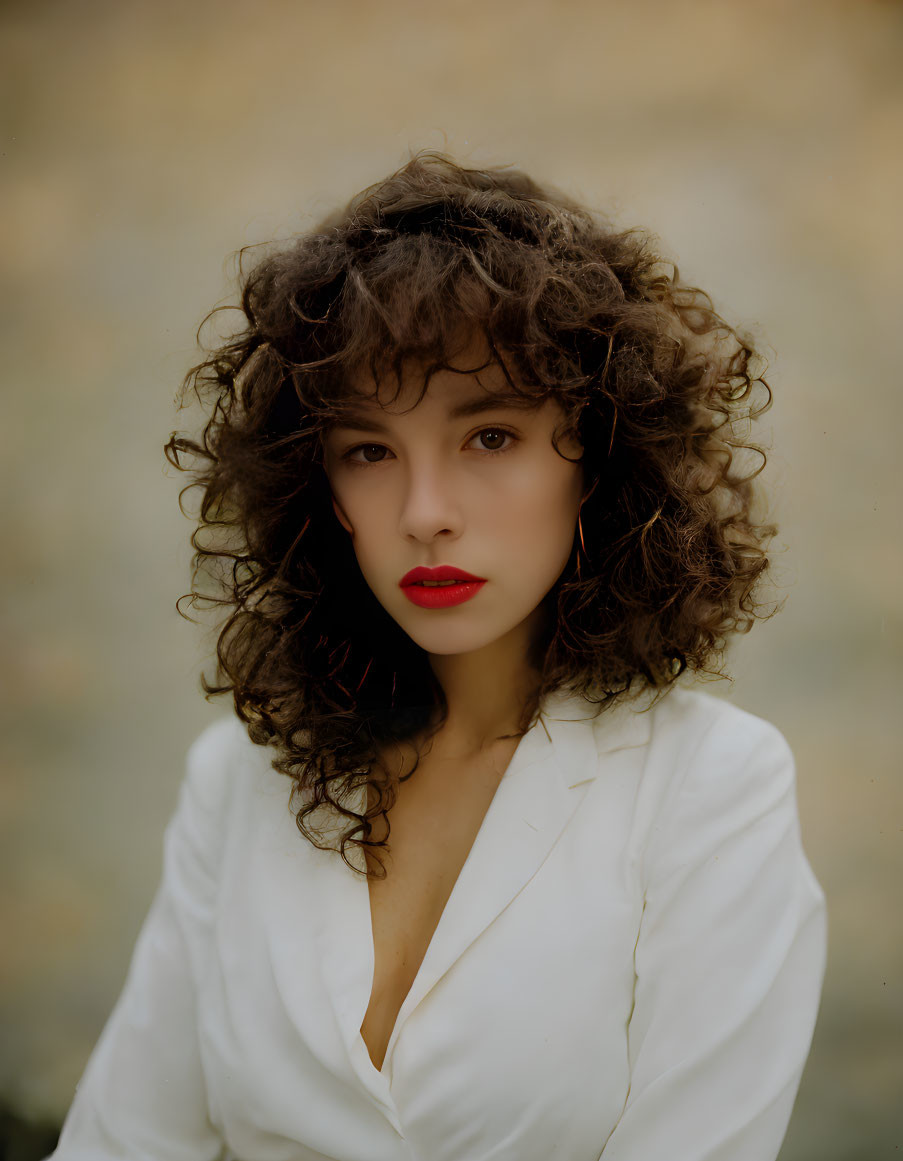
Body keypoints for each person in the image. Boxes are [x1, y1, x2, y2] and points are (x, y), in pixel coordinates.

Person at [49, 153, 826, 1161]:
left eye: (490, 436)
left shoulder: (711, 787)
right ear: (323, 493)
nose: (425, 515)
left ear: (595, 455)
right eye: (368, 451)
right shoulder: (240, 782)